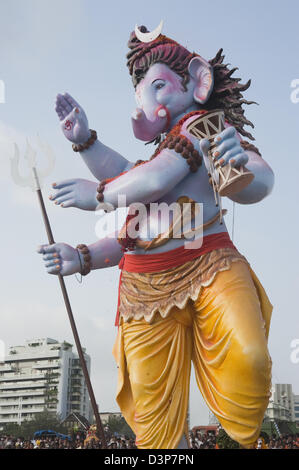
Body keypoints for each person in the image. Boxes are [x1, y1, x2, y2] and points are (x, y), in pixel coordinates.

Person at [38, 24, 274, 449]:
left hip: (211, 264)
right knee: (156, 430)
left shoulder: (204, 131)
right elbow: (136, 226)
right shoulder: (155, 163)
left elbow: (158, 178)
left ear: (198, 83)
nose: (147, 103)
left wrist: (98, 195)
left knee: (249, 358)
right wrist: (82, 255)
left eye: (159, 86)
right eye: (142, 94)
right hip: (144, 289)